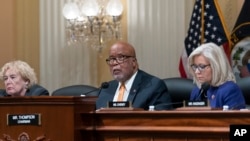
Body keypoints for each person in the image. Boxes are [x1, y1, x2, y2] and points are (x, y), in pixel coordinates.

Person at [96, 41, 173, 110]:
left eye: (121, 57)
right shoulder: (105, 89)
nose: (114, 63)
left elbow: (161, 120)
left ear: (133, 62)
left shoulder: (154, 86)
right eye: (112, 59)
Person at [187, 42, 246, 109]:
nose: (197, 71)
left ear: (216, 66)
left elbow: (234, 119)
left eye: (202, 66)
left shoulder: (230, 90)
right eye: (195, 66)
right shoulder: (197, 92)